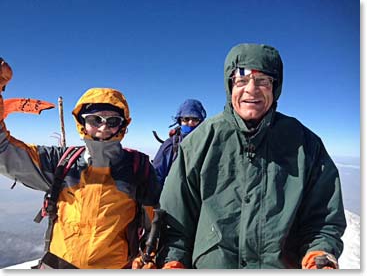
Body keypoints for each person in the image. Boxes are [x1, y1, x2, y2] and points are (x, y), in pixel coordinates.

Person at [155, 43, 346, 269]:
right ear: (230, 86)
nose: (251, 89)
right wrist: (173, 262)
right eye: (241, 80)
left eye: (263, 80)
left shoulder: (305, 144)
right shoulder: (200, 143)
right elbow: (176, 225)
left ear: (275, 87)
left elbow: (323, 220)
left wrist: (319, 253)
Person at [0, 59, 162, 269]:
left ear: (123, 125)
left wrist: (150, 259)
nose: (103, 127)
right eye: (95, 119)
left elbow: (155, 222)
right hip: (58, 265)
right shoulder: (61, 162)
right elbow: (4, 152)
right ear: (82, 123)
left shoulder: (138, 168)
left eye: (112, 121)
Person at [152, 99, 206, 186]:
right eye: (186, 119)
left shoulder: (208, 142)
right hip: (176, 196)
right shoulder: (171, 145)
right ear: (180, 120)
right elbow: (156, 177)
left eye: (195, 119)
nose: (190, 122)